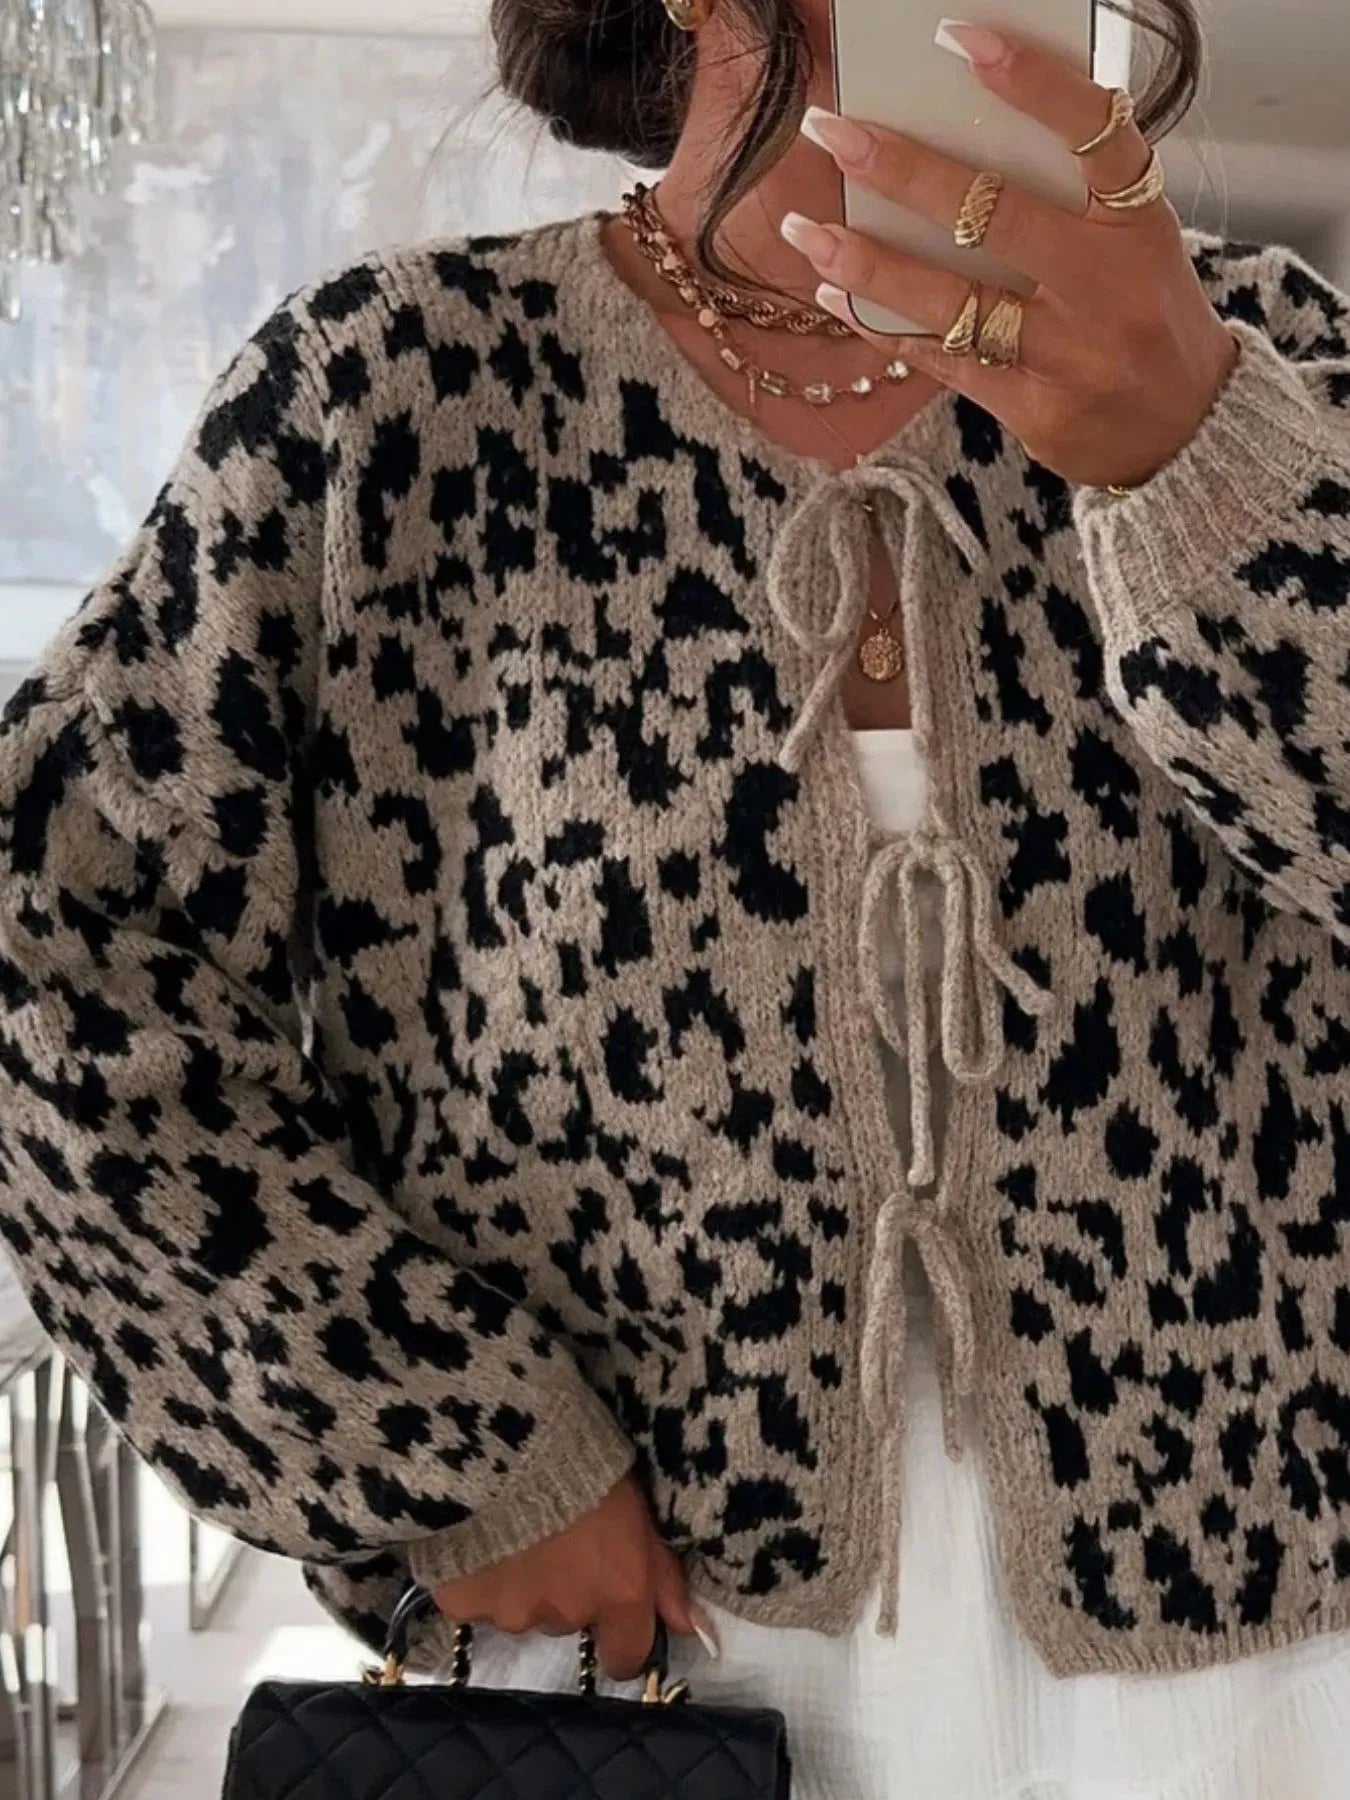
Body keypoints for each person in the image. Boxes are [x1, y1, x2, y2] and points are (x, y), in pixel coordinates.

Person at [2, 0, 1349, 1791]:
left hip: (1264, 1661)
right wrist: (437, 1439)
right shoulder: (393, 394)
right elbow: (53, 948)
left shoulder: (1268, 361)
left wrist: (1203, 454)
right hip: (638, 1680)